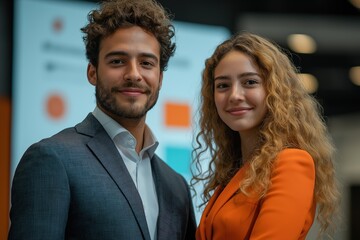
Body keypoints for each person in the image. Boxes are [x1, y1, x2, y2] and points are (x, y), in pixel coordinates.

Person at [8, 0, 196, 239]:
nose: (134, 75)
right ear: (92, 72)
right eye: (117, 61)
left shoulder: (176, 186)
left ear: (160, 78)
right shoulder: (52, 159)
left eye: (146, 63)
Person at [191, 32, 339, 239]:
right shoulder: (233, 172)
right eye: (223, 85)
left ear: (275, 91)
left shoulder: (291, 163)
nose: (234, 95)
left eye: (250, 82)